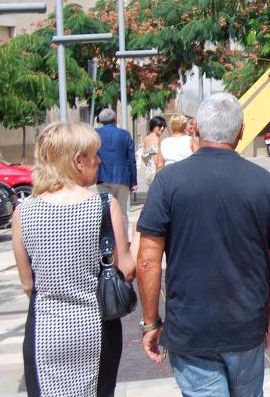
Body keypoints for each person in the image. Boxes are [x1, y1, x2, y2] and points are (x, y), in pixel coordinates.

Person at [136, 93, 270, 396]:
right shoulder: (263, 183)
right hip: (246, 324)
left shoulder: (168, 182)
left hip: (191, 326)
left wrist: (150, 321)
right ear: (241, 132)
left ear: (196, 128)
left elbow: (147, 261)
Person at [11, 122, 134, 396]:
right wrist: (137, 239)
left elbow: (28, 284)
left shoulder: (24, 212)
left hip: (45, 330)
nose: (99, 161)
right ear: (78, 161)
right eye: (94, 155)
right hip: (95, 329)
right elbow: (125, 270)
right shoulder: (104, 205)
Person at [95, 108, 137, 229]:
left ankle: (107, 242)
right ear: (115, 119)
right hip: (122, 178)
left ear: (100, 121)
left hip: (102, 177)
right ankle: (122, 241)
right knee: (122, 212)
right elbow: (131, 159)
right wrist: (133, 181)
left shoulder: (94, 134)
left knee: (105, 212)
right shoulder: (125, 134)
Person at [138, 115, 166, 193]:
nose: (162, 128)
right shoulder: (155, 138)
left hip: (148, 169)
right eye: (160, 126)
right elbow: (156, 157)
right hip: (155, 169)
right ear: (153, 126)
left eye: (163, 126)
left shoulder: (146, 138)